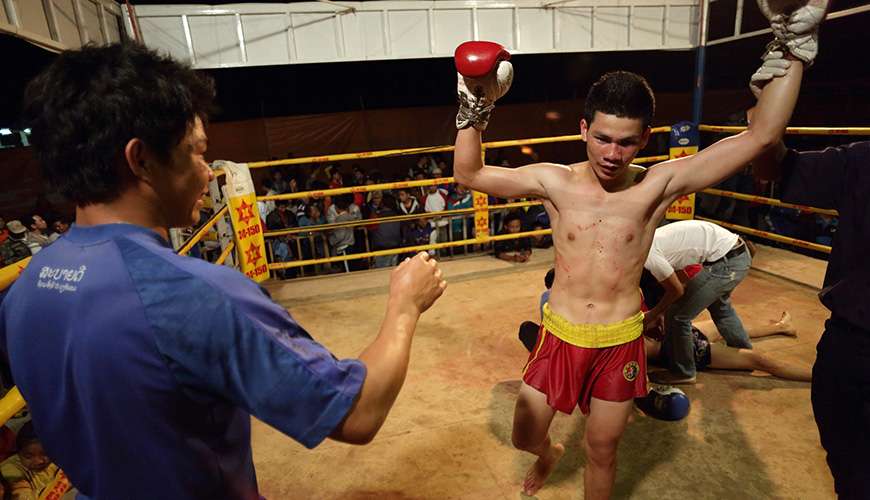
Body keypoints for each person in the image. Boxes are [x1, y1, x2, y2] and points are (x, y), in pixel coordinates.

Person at [1, 43, 447, 500]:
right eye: (196, 153)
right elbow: (357, 413)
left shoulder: (25, 289)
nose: (207, 171)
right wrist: (404, 305)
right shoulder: (193, 295)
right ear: (141, 160)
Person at [452, 9, 813, 494]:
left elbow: (761, 136)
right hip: (559, 334)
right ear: (583, 129)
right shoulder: (554, 181)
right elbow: (469, 174)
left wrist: (794, 45)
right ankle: (549, 452)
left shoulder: (656, 187)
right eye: (601, 138)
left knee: (603, 452)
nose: (611, 153)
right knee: (525, 435)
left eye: (626, 142)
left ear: (645, 138)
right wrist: (474, 109)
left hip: (620, 339)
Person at [752, 85, 869, 500]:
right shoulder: (861, 161)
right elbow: (776, 168)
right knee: (850, 473)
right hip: (851, 343)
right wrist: (768, 111)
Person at [521, 268, 809, 382]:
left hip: (677, 332)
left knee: (724, 327)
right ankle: (819, 377)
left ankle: (781, 327)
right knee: (758, 359)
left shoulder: (601, 308)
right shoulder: (598, 329)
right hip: (685, 351)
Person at [642, 220, 755, 385]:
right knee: (721, 309)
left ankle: (684, 372)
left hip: (726, 262)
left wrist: (652, 314)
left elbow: (677, 290)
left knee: (678, 315)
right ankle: (745, 355)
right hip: (735, 256)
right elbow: (681, 281)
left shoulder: (649, 255)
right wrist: (660, 312)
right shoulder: (653, 240)